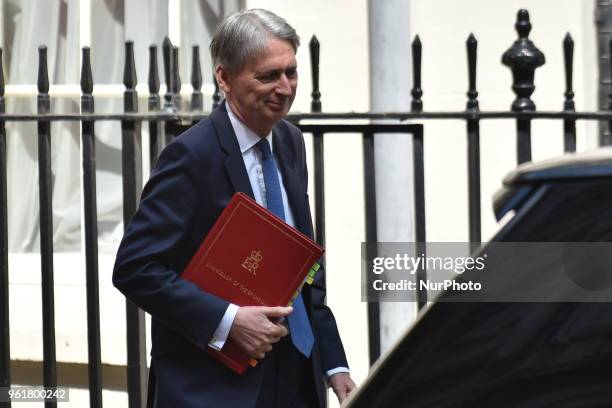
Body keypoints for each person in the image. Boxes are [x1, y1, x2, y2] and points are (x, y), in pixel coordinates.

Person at [113, 8, 356, 408]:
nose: (284, 88)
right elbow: (136, 268)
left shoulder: (291, 143)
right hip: (214, 388)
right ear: (224, 77)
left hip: (297, 378)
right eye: (267, 76)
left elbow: (304, 269)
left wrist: (333, 363)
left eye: (291, 72)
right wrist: (228, 321)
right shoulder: (190, 156)